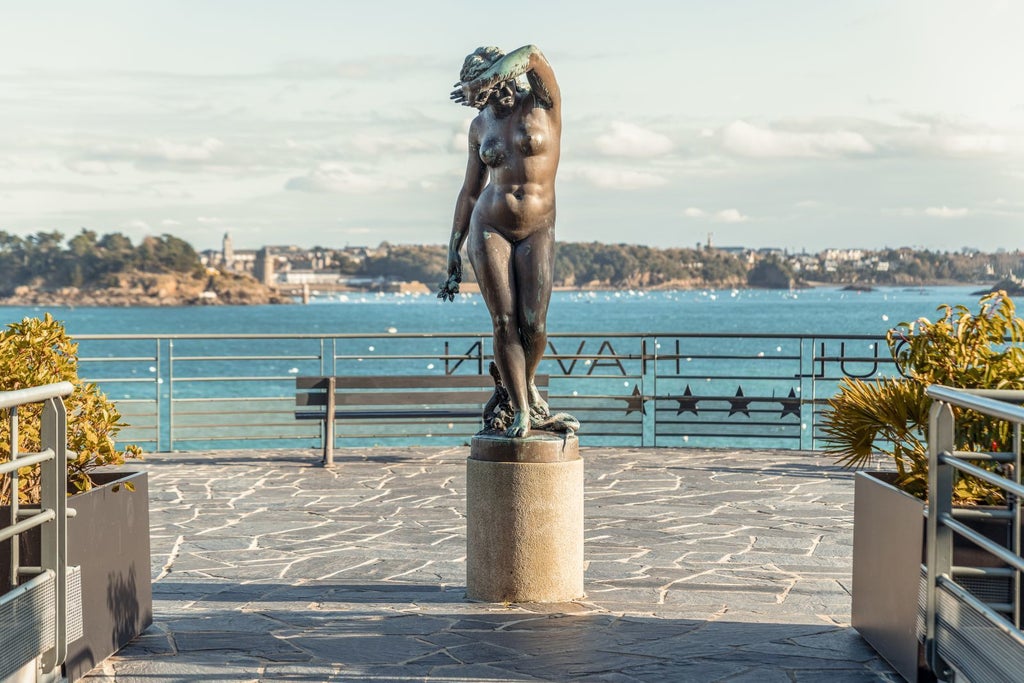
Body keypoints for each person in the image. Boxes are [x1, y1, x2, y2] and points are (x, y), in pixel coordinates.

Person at [441, 44, 561, 438]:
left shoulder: (542, 103)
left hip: (537, 227)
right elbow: (470, 189)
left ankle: (523, 388)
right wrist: (453, 245)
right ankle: (523, 410)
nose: (496, 96)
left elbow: (533, 54)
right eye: (484, 93)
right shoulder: (480, 127)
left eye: (494, 83)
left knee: (535, 323)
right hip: (488, 225)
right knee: (504, 320)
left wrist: (482, 79)